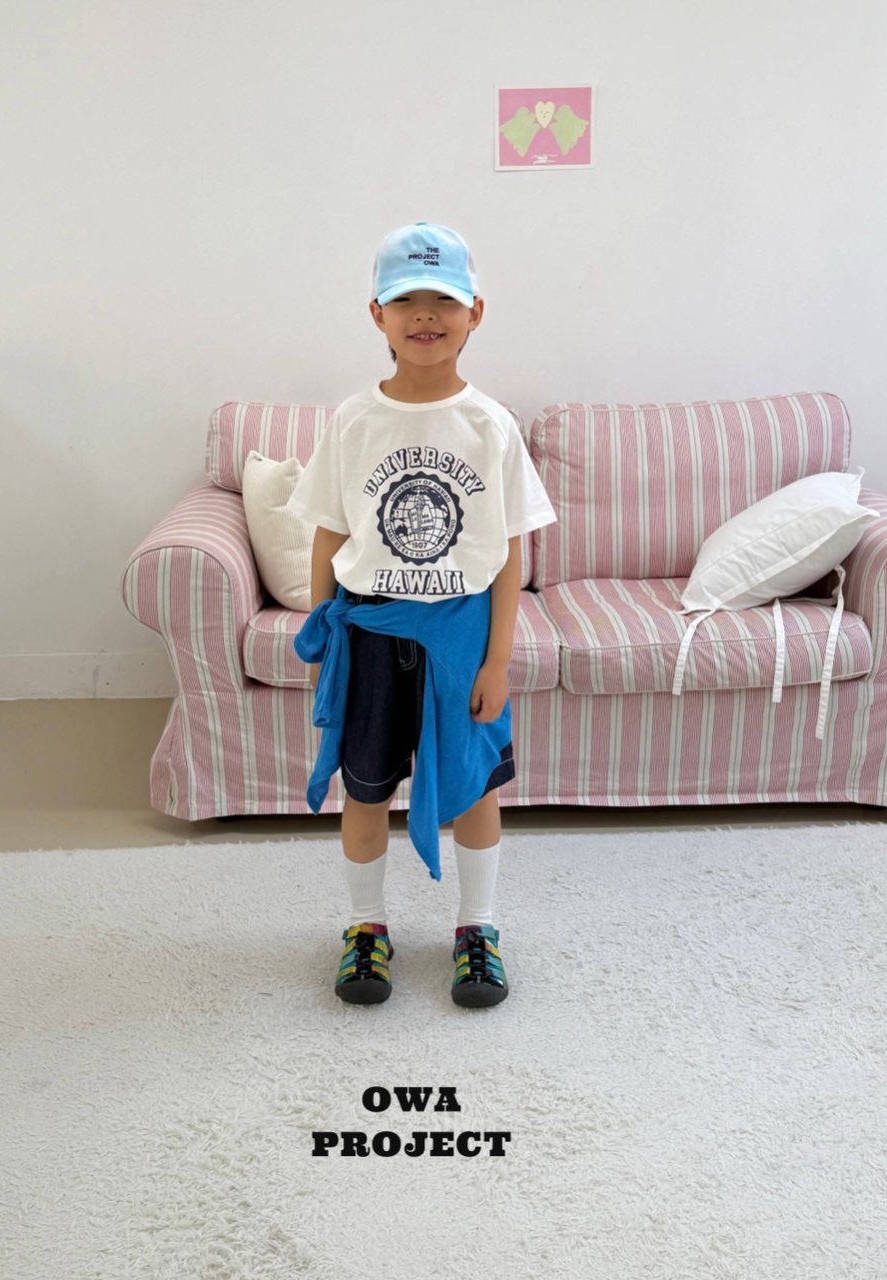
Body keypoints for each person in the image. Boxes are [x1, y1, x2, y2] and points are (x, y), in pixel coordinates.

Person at [288, 221, 557, 1008]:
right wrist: (323, 630)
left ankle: (478, 929)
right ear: (377, 313)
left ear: (477, 312)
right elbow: (329, 531)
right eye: (407, 300)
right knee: (365, 789)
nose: (426, 316)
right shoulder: (354, 419)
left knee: (474, 790)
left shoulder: (490, 424)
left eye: (444, 299)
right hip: (370, 634)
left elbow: (507, 553)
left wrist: (497, 659)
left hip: (460, 638)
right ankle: (365, 929)